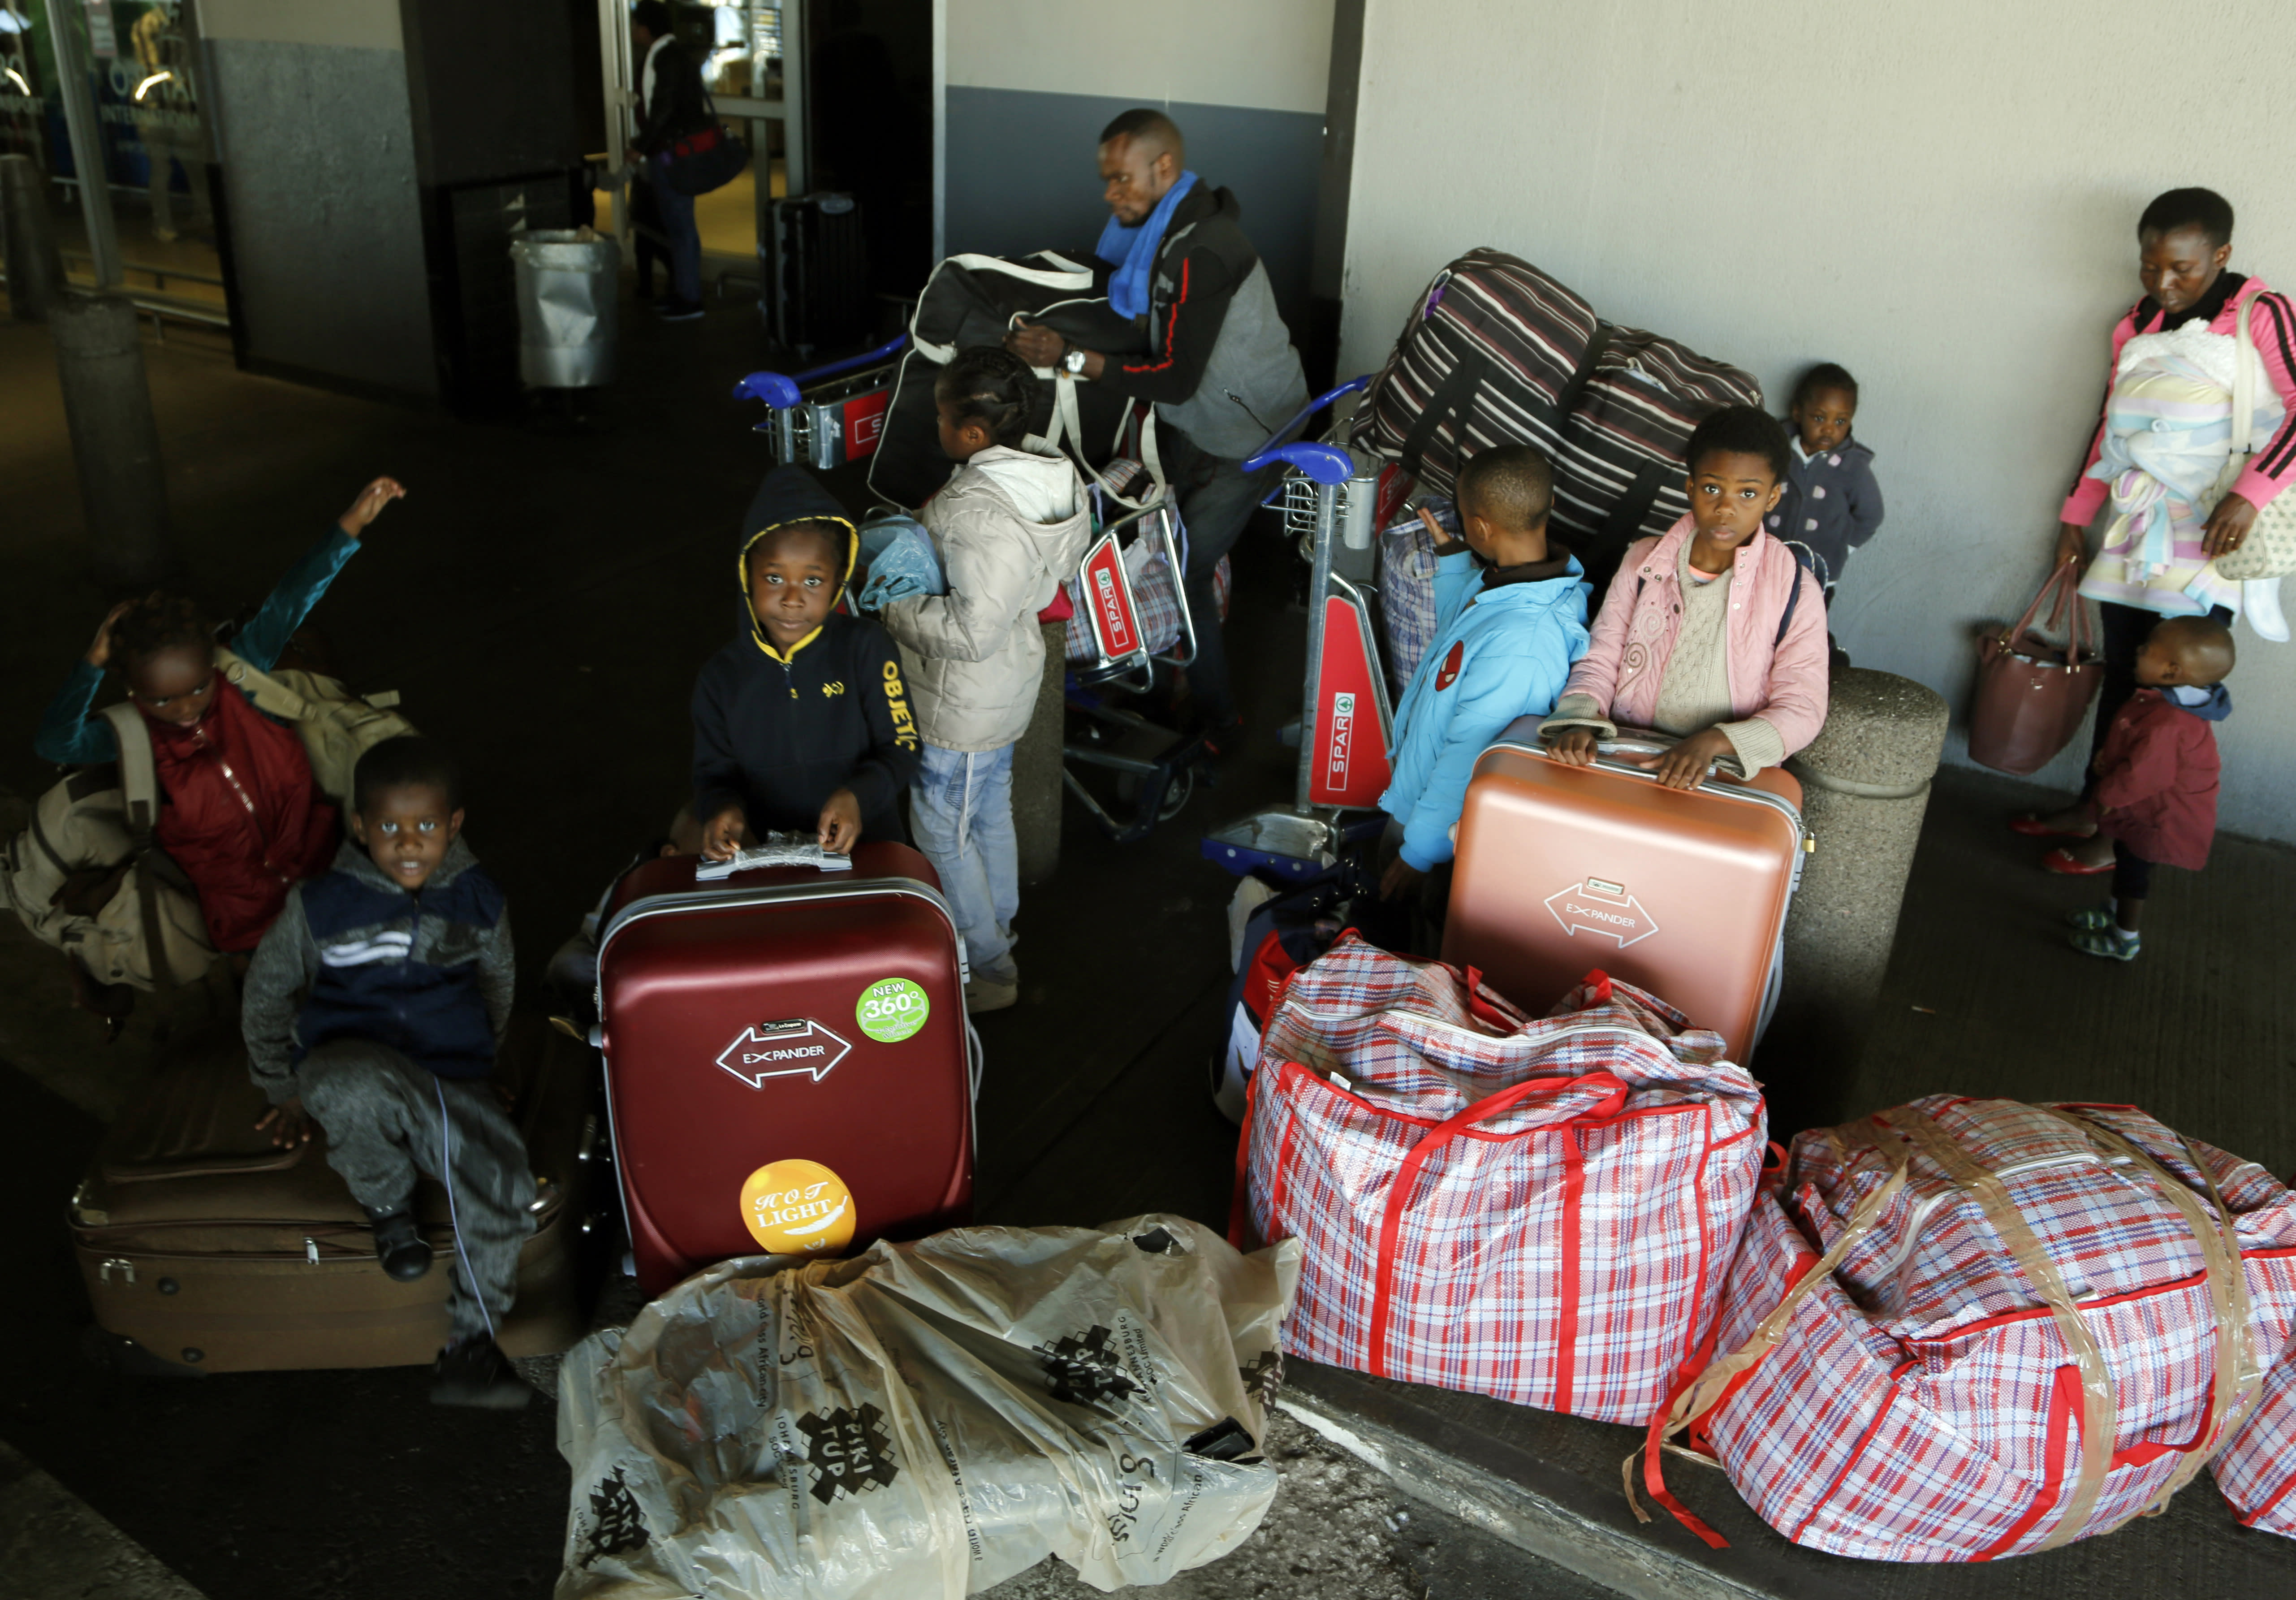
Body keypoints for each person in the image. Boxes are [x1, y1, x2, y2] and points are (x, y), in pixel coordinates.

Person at [1002, 108, 1308, 750]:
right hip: (1203, 422)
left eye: (1122, 179)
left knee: (1186, 567)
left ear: (1163, 168)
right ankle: (1171, 677)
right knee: (1162, 536)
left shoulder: (1201, 251)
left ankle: (1219, 722)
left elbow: (1172, 376)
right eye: (1107, 180)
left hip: (1250, 438)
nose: (1112, 195)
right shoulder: (1168, 235)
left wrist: (1072, 356)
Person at [240, 736, 529, 1407]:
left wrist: (479, 1070)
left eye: (426, 826)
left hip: (443, 1079)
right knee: (350, 1084)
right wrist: (280, 1086)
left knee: (504, 1173)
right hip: (352, 1069)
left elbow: (498, 984)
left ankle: (469, 1351)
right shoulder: (322, 904)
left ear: (453, 825)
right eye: (390, 828)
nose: (408, 844)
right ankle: (386, 1206)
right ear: (361, 827)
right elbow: (266, 991)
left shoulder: (479, 898)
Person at [34, 478, 406, 984]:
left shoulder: (241, 675)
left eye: (195, 688)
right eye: (161, 699)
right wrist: (94, 660)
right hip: (244, 923)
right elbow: (56, 743)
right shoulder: (136, 737)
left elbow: (292, 599)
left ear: (213, 664)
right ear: (134, 695)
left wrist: (355, 522)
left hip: (323, 870)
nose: (185, 709)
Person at [2023, 187, 2296, 871]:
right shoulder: (2138, 320)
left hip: (2208, 537)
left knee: (2171, 703)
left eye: (2184, 268)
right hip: (2134, 530)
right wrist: (2076, 519)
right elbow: (2110, 425)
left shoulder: (2261, 313)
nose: (2164, 283)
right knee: (2122, 682)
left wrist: (2251, 497)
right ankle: (2094, 807)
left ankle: (2124, 847)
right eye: (2151, 266)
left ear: (2222, 256)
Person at [873, 349, 1091, 1013]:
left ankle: (988, 966)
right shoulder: (1048, 478)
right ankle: (998, 924)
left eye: (942, 417)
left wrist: (893, 603)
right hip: (1007, 684)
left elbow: (971, 631)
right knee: (987, 808)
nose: (935, 426)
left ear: (972, 433)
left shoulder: (979, 509)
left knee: (942, 829)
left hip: (963, 701)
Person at [1542, 407, 1830, 787]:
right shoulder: (1644, 560)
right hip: (1626, 759)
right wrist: (1580, 719)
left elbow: (1802, 708)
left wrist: (1714, 742)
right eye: (1713, 488)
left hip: (1720, 777)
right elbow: (1603, 654)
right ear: (1690, 487)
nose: (1727, 507)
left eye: (1748, 493)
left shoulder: (1794, 587)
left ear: (1773, 497)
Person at [1374, 445, 1591, 935]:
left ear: (1484, 527)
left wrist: (1418, 853)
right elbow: (1470, 628)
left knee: (1418, 934)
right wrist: (1454, 560)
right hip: (1424, 805)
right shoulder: (1506, 585)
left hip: (1444, 836)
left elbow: (1469, 759)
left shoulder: (1524, 643)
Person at [685, 467, 922, 861]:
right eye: (774, 578)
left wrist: (857, 798)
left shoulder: (866, 648)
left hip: (869, 850)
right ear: (748, 575)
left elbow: (902, 745)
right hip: (764, 860)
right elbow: (713, 775)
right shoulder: (720, 678)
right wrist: (722, 810)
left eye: (812, 581)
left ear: (837, 581)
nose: (792, 599)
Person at [2067, 616, 2235, 961]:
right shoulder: (2168, 699)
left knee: (2133, 875)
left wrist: (2108, 795)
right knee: (2127, 863)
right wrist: (2107, 758)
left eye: (2146, 649)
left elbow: (2147, 776)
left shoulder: (2171, 722)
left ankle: (2124, 939)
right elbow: (2135, 747)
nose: (2139, 652)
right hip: (2148, 809)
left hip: (2158, 818)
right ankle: (2114, 916)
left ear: (2172, 671)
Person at [1767, 363, 1883, 601]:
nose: (1829, 429)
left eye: (1841, 422)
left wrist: (1844, 547)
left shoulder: (1853, 466)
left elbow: (1872, 514)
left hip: (1819, 573)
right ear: (1798, 413)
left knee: (1805, 628)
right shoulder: (1774, 446)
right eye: (1819, 418)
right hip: (1765, 563)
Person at [627, 1, 708, 322]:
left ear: (646, 29)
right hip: (669, 151)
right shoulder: (666, 55)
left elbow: (663, 110)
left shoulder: (667, 58)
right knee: (676, 226)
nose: (632, 31)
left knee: (681, 226)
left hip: (672, 153)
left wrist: (641, 147)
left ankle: (690, 298)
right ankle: (683, 292)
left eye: (635, 25)